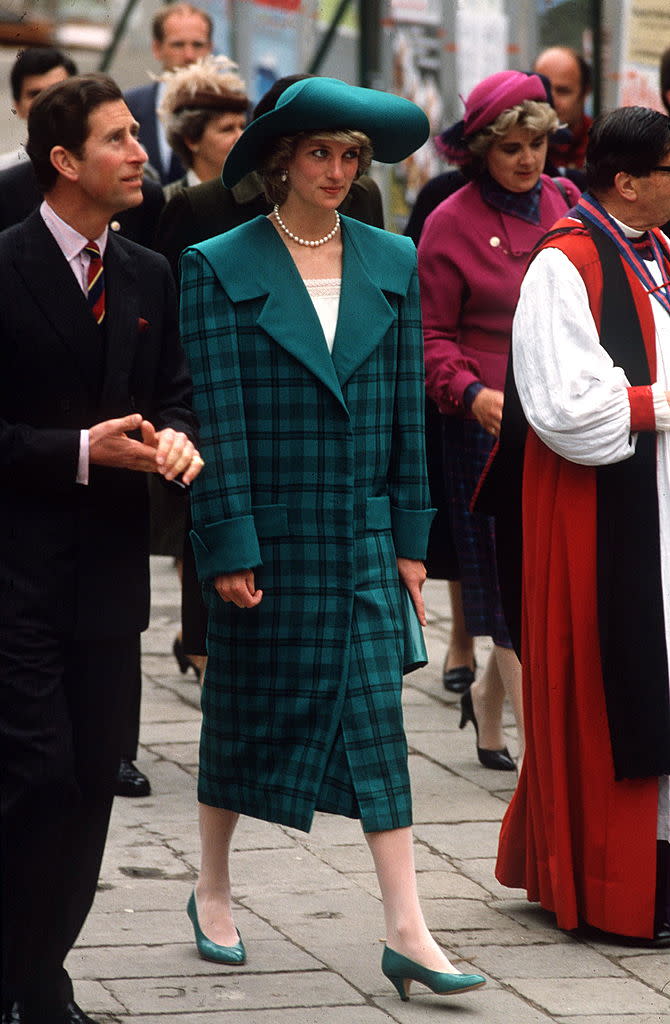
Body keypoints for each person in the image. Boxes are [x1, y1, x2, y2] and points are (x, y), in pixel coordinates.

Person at [179, 75, 486, 1001]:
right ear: (281, 161)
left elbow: (402, 413)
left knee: (378, 727)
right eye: (320, 152)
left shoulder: (391, 259)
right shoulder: (218, 263)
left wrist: (409, 538)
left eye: (351, 156)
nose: (338, 169)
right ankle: (212, 888)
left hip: (356, 534)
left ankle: (409, 929)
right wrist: (226, 542)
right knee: (242, 717)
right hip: (269, 538)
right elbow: (217, 419)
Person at [0, 73, 202, 1023]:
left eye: (139, 136)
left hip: (111, 581)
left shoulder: (149, 274)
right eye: (119, 139)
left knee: (88, 786)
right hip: (13, 577)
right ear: (65, 161)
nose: (140, 154)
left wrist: (179, 437)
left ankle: (41, 981)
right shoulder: (1, 267)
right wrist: (80, 452)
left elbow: (176, 392)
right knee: (33, 776)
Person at [490, 106, 670, 946]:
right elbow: (566, 408)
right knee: (618, 686)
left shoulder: (658, 252)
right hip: (606, 516)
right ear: (627, 181)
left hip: (658, 505)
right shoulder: (565, 263)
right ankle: (616, 884)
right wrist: (661, 404)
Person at [418, 70, 579, 772]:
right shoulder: (448, 222)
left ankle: (487, 707)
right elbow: (428, 338)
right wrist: (471, 390)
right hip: (484, 427)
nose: (526, 160)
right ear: (480, 148)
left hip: (566, 417)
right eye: (511, 147)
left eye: (537, 144)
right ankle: (544, 758)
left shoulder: (571, 203)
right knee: (510, 590)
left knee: (554, 583)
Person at [125, 2, 213, 184]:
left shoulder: (238, 113)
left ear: (210, 48)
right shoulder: (128, 106)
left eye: (197, 45)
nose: (189, 55)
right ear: (157, 48)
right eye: (178, 45)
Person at [158, 55, 248, 200]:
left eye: (242, 126)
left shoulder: (258, 199)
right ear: (192, 140)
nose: (241, 136)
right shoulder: (166, 202)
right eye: (227, 129)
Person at [0, 46, 77, 170]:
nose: (47, 101)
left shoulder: (104, 166)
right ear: (17, 106)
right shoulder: (4, 175)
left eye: (57, 91)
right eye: (35, 94)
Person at [534, 46, 592, 179]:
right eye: (544, 88)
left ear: (584, 93)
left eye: (563, 91)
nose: (551, 101)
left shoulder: (601, 146)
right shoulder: (519, 140)